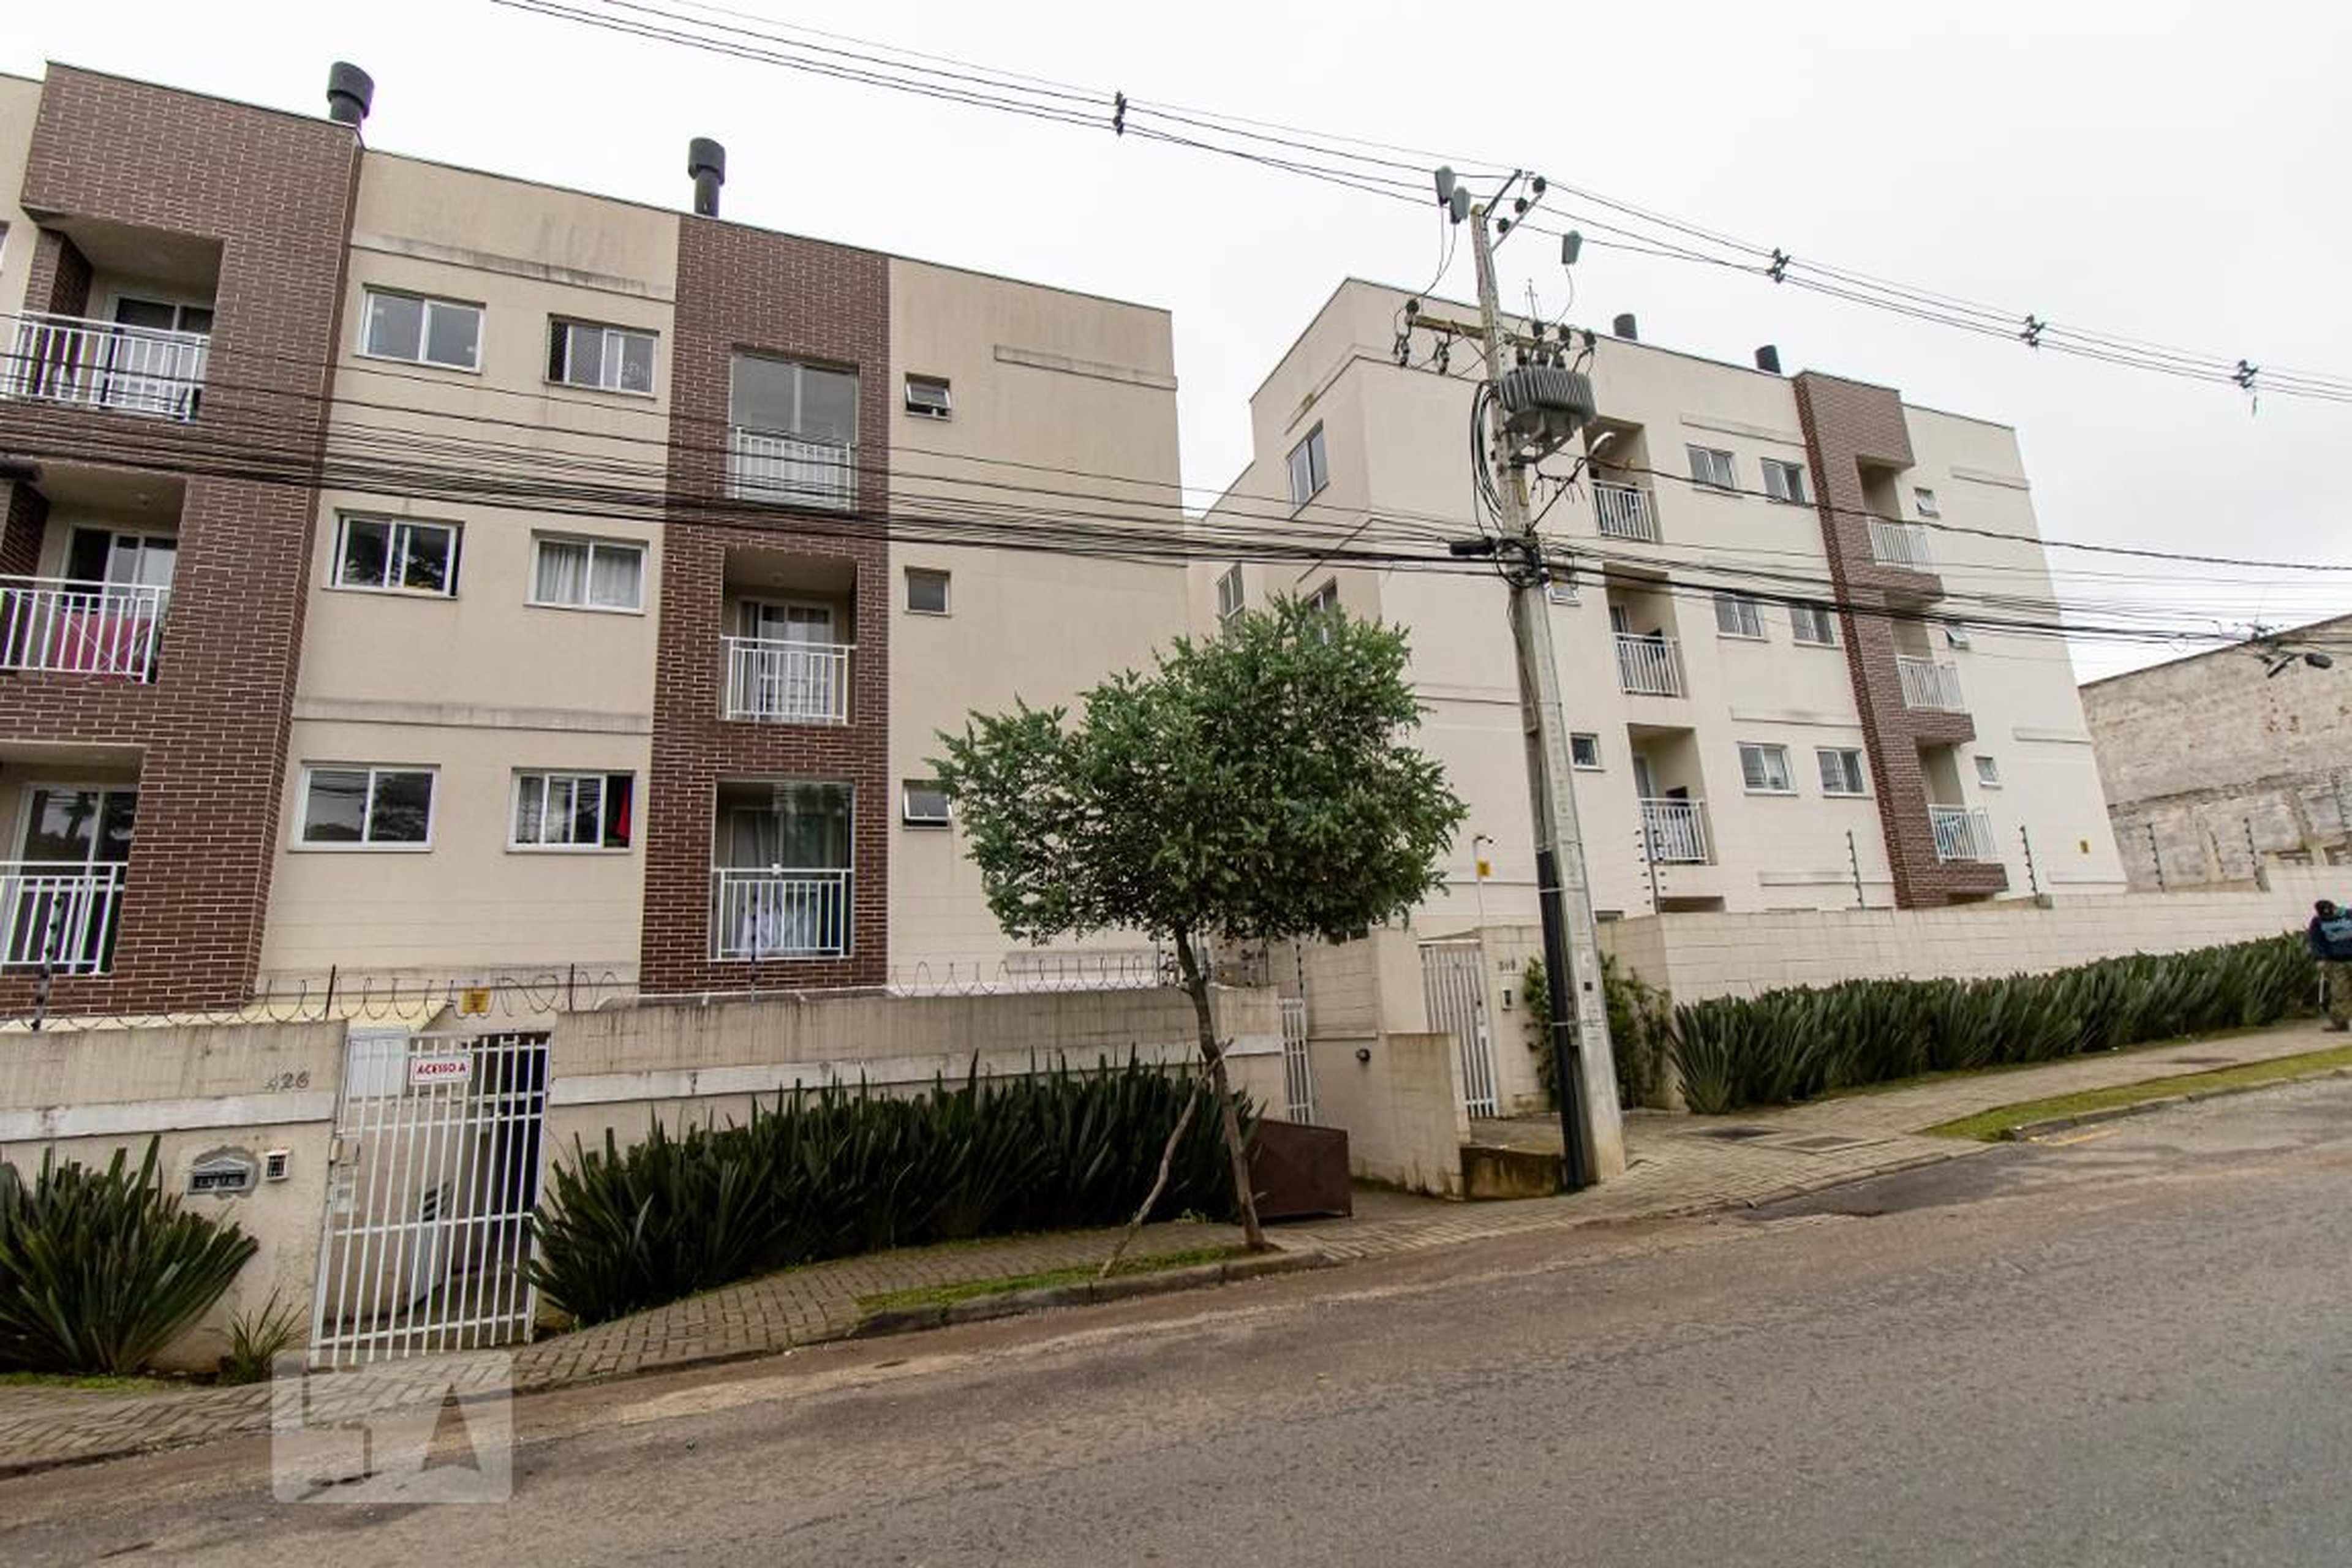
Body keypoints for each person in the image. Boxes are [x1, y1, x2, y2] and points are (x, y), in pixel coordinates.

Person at [2305, 899, 2352, 1031]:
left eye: (2330, 914)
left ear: (2335, 908)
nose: (2328, 918)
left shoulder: (2349, 915)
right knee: (2339, 993)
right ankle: (2340, 1023)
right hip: (2337, 962)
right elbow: (2316, 941)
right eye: (2325, 916)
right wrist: (2320, 959)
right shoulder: (2317, 922)